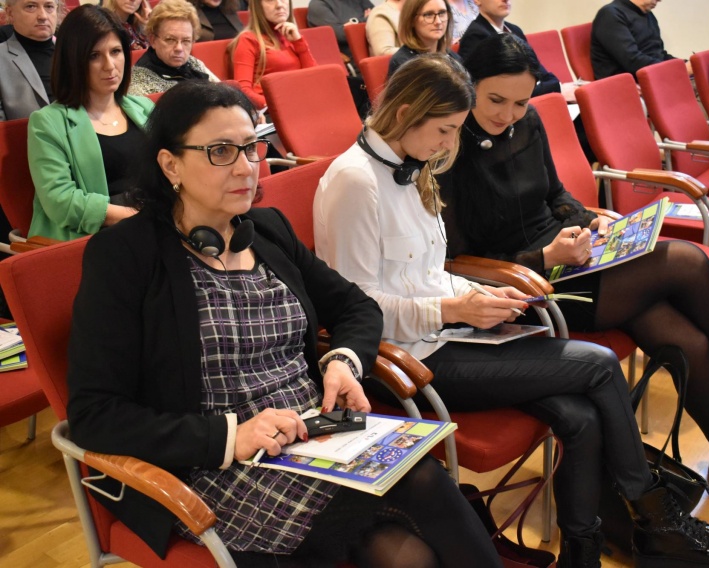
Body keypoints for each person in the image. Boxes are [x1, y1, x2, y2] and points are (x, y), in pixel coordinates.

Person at [313, 52, 709, 568]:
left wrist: (480, 295)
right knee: (599, 364)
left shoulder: (411, 164)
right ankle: (657, 520)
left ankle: (582, 552)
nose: (448, 144)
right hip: (410, 359)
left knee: (581, 416)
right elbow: (358, 309)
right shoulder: (356, 181)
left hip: (449, 332)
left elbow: (431, 270)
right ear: (406, 112)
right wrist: (453, 307)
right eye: (445, 130)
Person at [66, 78, 505, 568]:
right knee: (408, 550)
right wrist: (231, 436)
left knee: (426, 482)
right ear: (170, 164)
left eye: (250, 147)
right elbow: (94, 414)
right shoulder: (125, 255)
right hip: (214, 462)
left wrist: (343, 362)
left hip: (316, 430)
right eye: (220, 151)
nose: (245, 167)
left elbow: (357, 307)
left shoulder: (266, 230)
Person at [439, 33, 709, 521]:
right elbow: (458, 258)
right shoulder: (448, 144)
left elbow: (555, 195)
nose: (509, 114)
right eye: (495, 100)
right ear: (469, 86)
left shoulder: (529, 121)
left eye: (520, 102)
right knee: (685, 262)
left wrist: (590, 221)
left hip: (568, 254)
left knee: (685, 338)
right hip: (522, 285)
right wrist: (545, 256)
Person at [27, 5, 154, 241]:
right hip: (92, 236)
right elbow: (61, 201)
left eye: (115, 51)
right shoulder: (47, 122)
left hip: (151, 224)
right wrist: (139, 217)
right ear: (72, 61)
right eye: (94, 56)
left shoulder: (144, 108)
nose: (110, 65)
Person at [456, 0, 560, 97]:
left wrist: (553, 86)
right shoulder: (476, 37)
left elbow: (543, 75)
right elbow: (504, 92)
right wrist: (553, 87)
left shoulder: (515, 30)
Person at [230, 0, 315, 111]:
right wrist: (279, 106)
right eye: (270, 0)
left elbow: (314, 78)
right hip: (273, 111)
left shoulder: (291, 36)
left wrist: (299, 42)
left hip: (302, 104)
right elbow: (243, 91)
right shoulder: (248, 39)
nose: (279, 5)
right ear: (258, 6)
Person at [129, 0, 220, 97]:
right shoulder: (139, 83)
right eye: (170, 40)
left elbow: (223, 94)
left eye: (186, 41)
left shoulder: (194, 63)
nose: (179, 48)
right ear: (153, 40)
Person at [591, 0, 691, 80]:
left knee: (698, 75)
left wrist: (683, 64)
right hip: (626, 86)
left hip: (651, 77)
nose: (660, 0)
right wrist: (677, 70)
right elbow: (632, 61)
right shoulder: (611, 14)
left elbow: (659, 53)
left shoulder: (648, 14)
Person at [0, 0, 56, 121]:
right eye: (31, 6)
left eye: (49, 6)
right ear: (10, 13)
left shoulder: (75, 53)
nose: (43, 16)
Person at [387, 0, 457, 77]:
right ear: (411, 20)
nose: (438, 21)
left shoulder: (451, 57)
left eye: (442, 13)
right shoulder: (403, 63)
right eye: (428, 15)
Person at [307, 0, 373, 61]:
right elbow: (340, 35)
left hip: (372, 45)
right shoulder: (318, 4)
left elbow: (376, 20)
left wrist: (353, 24)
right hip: (352, 57)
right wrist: (364, 20)